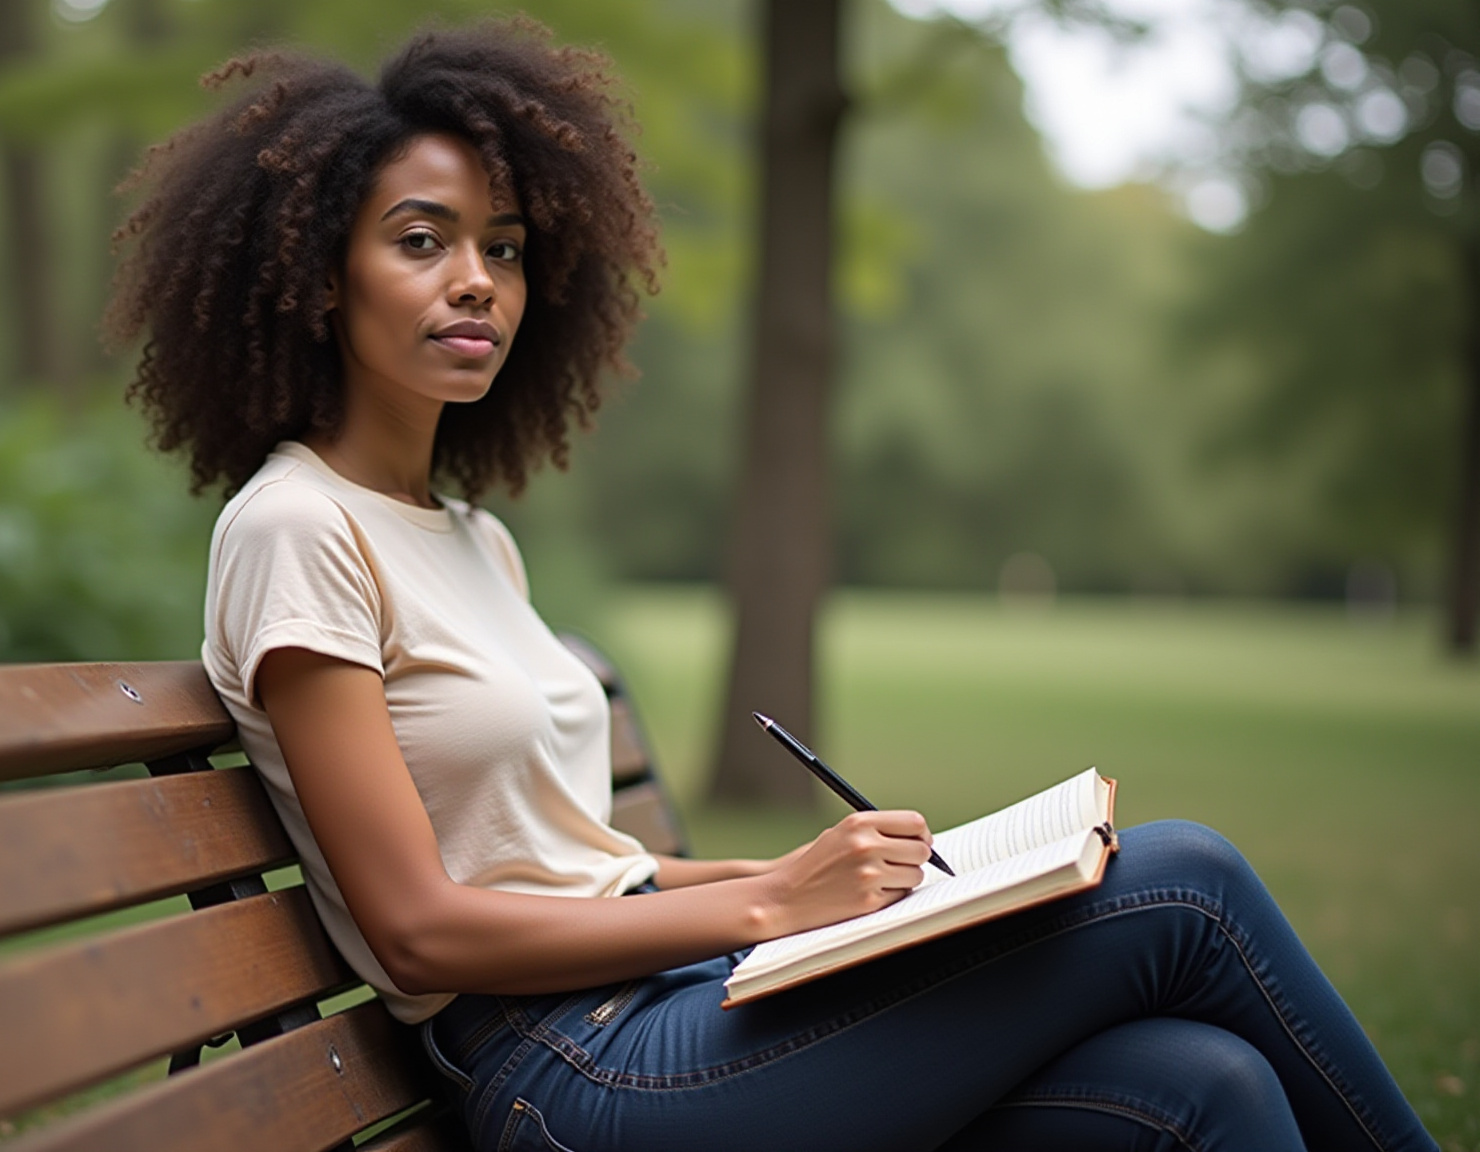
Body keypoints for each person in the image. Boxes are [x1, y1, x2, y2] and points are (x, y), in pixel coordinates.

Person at [104, 20, 1438, 1152]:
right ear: (314, 280)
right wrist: (762, 907)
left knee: (1207, 1087)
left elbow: (573, 869)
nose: (477, 282)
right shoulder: (294, 528)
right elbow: (416, 933)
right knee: (1186, 886)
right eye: (421, 240)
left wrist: (835, 875)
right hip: (571, 1074)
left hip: (666, 994)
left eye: (503, 248)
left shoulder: (470, 537)